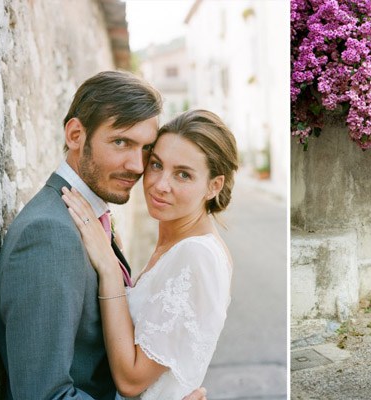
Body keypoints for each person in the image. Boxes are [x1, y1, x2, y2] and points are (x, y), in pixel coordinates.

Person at [0, 71, 205, 400]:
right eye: (121, 142)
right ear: (76, 134)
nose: (137, 165)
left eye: (146, 148)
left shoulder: (90, 217)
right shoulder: (49, 234)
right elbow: (43, 395)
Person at [61, 109, 238, 399]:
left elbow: (131, 381)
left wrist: (108, 267)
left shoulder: (197, 255)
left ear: (213, 186)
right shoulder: (175, 244)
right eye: (156, 165)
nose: (160, 184)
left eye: (183, 174)